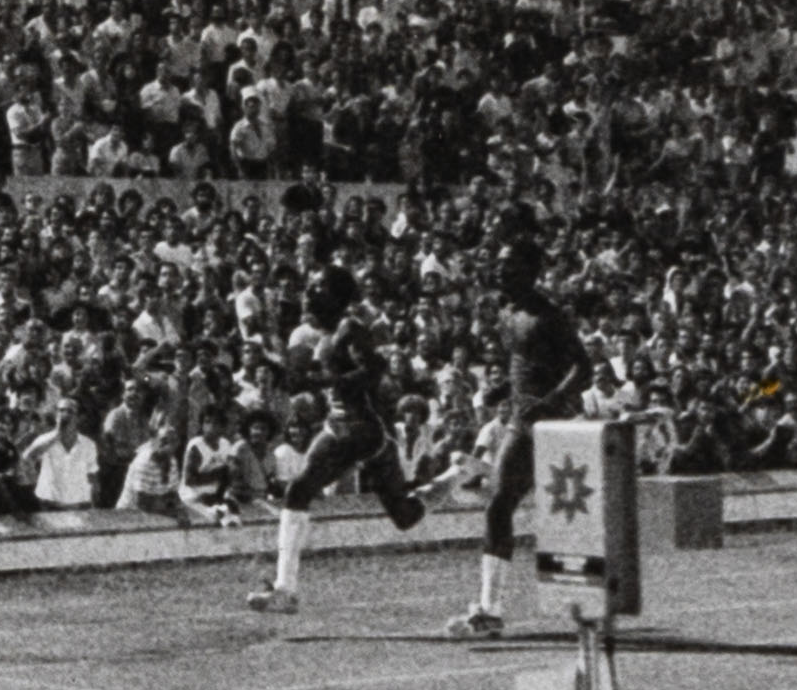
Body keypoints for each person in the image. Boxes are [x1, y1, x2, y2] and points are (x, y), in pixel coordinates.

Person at [248, 262, 426, 613]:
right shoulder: (328, 334)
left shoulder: (349, 328)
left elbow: (374, 369)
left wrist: (329, 382)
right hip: (353, 428)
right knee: (404, 515)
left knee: (299, 490)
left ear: (337, 297)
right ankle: (457, 474)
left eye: (318, 287)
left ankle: (285, 589)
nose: (309, 292)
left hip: (356, 427)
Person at [449, 239, 590, 637]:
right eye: (499, 264)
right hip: (522, 419)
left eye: (509, 265)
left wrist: (549, 402)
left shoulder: (550, 316)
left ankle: (588, 601)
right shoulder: (506, 312)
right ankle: (489, 610)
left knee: (567, 516)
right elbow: (523, 365)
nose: (500, 271)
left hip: (554, 422)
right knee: (499, 504)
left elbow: (583, 368)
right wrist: (501, 392)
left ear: (531, 271)